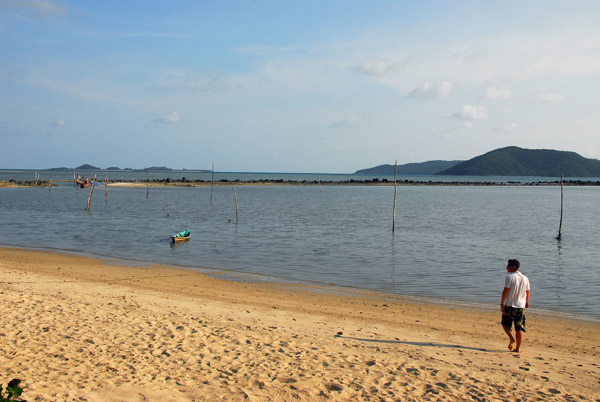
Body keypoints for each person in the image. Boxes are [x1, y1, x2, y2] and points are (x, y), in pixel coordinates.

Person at [500, 259, 530, 353]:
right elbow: (527, 291)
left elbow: (505, 291)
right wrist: (526, 301)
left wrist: (502, 303)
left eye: (508, 266)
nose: (507, 267)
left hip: (510, 304)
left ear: (514, 267)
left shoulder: (510, 277)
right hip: (520, 306)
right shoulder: (525, 278)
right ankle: (518, 348)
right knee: (519, 327)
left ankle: (512, 338)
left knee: (505, 323)